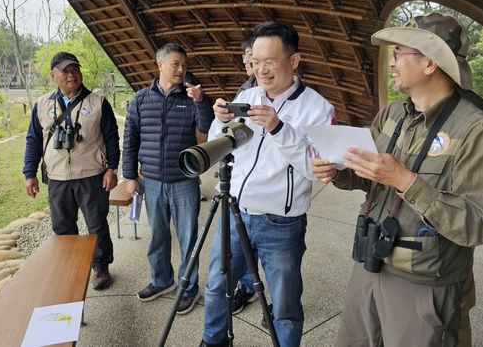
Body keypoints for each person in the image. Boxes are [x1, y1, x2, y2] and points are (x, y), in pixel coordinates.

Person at [312, 13, 483, 347]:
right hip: (370, 262)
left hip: (425, 284)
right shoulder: (391, 115)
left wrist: (407, 181)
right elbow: (372, 178)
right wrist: (340, 173)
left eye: (399, 52)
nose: (391, 62)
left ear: (430, 63)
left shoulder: (478, 131)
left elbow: (475, 225)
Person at [200, 22, 337, 347]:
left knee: (285, 304)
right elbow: (219, 146)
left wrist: (278, 128)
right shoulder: (246, 96)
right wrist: (219, 122)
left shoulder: (318, 108)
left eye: (270, 61)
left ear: (293, 60)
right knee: (217, 286)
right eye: (255, 61)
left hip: (281, 223)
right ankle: (213, 340)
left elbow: (315, 169)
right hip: (234, 214)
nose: (261, 70)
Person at [122, 43, 214, 315]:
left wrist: (201, 101)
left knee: (188, 237)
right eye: (176, 64)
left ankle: (188, 287)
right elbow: (131, 140)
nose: (181, 69)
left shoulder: (192, 97)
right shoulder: (140, 99)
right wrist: (129, 176)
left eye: (184, 65)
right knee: (158, 236)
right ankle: (161, 280)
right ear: (160, 65)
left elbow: (207, 127)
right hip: (151, 180)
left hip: (184, 180)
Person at [23, 51, 120, 290]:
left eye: (74, 69)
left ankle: (101, 267)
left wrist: (112, 169)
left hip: (92, 175)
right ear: (53, 75)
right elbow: (33, 140)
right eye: (65, 71)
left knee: (96, 224)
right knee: (63, 227)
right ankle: (70, 267)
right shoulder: (43, 105)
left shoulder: (98, 102)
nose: (71, 75)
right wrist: (29, 173)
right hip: (58, 178)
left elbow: (111, 138)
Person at [231, 33, 260, 315]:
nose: (249, 60)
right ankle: (247, 288)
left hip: (273, 188)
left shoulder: (278, 89)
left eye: (252, 53)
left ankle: (274, 302)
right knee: (242, 242)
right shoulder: (244, 91)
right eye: (246, 56)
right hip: (245, 181)